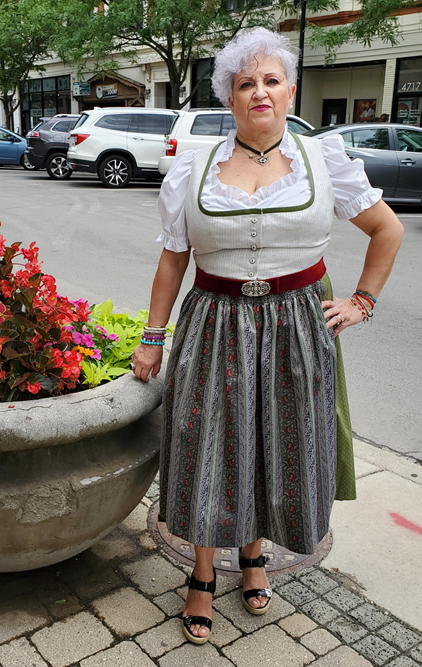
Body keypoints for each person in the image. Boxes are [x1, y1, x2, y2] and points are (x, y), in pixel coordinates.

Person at [132, 27, 403, 645]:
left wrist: (362, 301)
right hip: (214, 322)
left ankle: (254, 558)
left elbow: (387, 231)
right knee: (210, 443)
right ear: (229, 97)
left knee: (276, 444)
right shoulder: (193, 170)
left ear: (291, 91)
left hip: (297, 327)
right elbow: (172, 262)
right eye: (244, 83)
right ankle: (201, 574)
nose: (259, 92)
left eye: (271, 81)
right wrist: (152, 336)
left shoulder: (324, 161)